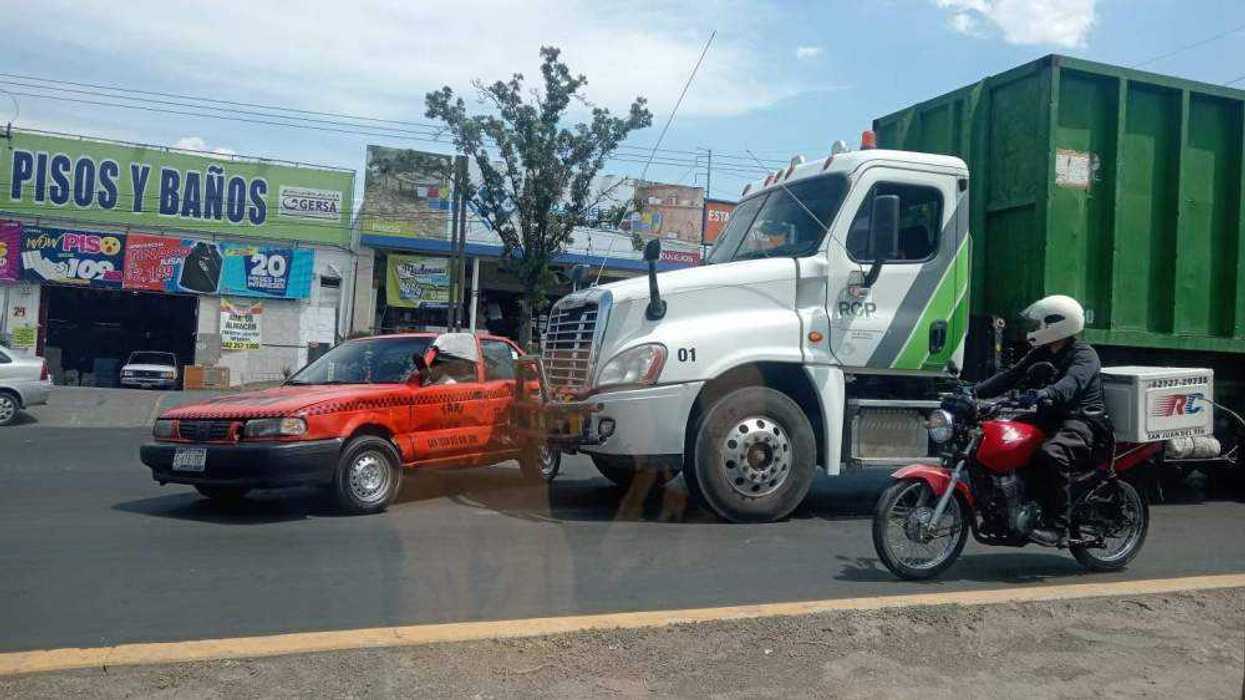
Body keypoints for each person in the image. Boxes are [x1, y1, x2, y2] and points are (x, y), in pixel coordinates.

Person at [973, 295, 1107, 546]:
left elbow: (1072, 383)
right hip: (1047, 417)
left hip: (1081, 421)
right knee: (998, 438)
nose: (1034, 330)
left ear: (1057, 325)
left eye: (1039, 325)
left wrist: (1047, 392)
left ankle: (1058, 526)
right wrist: (974, 392)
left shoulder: (1084, 355)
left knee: (1051, 454)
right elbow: (1011, 376)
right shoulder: (1041, 352)